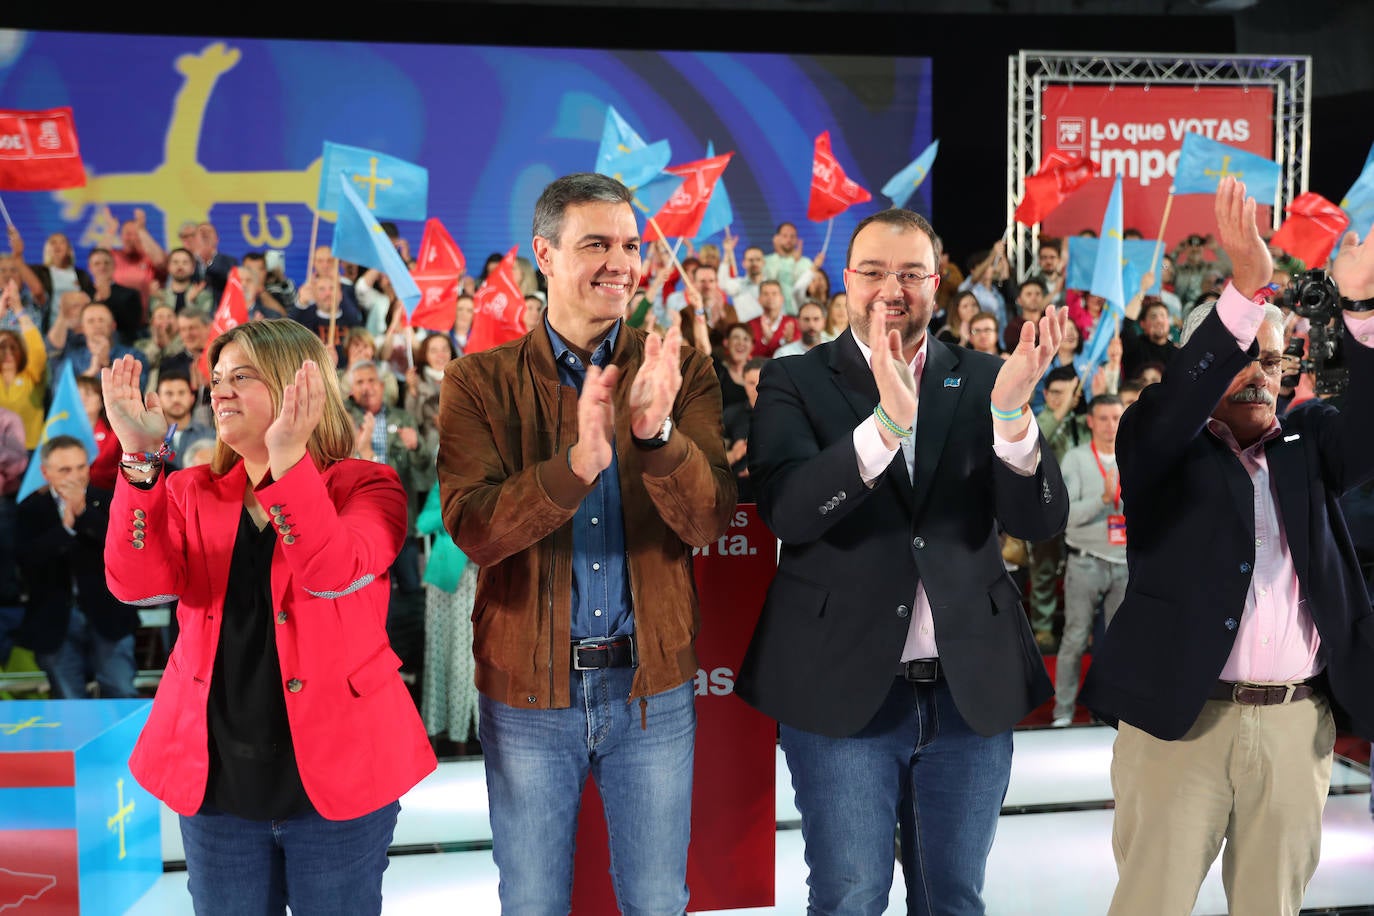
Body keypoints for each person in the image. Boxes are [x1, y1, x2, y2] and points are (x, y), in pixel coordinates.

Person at [736, 206, 1069, 913]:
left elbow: (1038, 519)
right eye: (876, 271)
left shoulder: (984, 378)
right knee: (850, 894)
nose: (894, 287)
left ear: (937, 284)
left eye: (912, 273)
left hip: (966, 694)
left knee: (953, 897)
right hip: (843, 691)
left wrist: (1013, 420)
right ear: (846, 282)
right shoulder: (793, 380)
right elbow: (789, 511)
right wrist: (885, 425)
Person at [436, 172, 735, 912]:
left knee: (658, 900)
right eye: (596, 243)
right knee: (532, 902)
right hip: (529, 694)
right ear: (544, 252)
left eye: (630, 245)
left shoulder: (682, 370)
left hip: (652, 692)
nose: (620, 262)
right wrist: (574, 468)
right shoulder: (477, 383)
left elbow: (707, 523)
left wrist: (653, 437)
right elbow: (475, 529)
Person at [1080, 177, 1374, 914]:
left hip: (1295, 726)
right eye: (1249, 356)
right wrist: (1245, 295)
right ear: (1207, 357)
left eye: (1278, 364)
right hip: (1181, 726)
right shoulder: (1160, 443)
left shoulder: (1313, 443)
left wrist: (1363, 313)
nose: (1263, 377)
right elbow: (1179, 397)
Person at [100, 320, 435, 914]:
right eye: (218, 379)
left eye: (243, 376)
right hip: (217, 786)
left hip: (339, 781)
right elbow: (135, 585)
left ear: (295, 386)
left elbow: (330, 571)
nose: (220, 391)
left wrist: (287, 462)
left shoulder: (369, 487)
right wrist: (139, 459)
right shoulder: (189, 490)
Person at [17, 435, 137, 699]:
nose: (76, 476)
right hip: (54, 623)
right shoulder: (29, 510)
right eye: (65, 469)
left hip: (109, 617)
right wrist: (66, 529)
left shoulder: (109, 501)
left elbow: (124, 548)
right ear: (45, 472)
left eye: (81, 467)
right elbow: (27, 560)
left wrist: (84, 513)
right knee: (69, 705)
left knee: (121, 692)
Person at [1051, 394, 1126, 726]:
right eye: (1105, 418)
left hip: (1124, 563)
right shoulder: (1077, 459)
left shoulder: (1132, 456)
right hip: (1085, 562)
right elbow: (1065, 516)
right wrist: (1103, 500)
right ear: (1091, 422)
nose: (1112, 425)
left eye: (1117, 418)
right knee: (1075, 639)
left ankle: (1109, 711)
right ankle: (1062, 713)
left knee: (1118, 644)